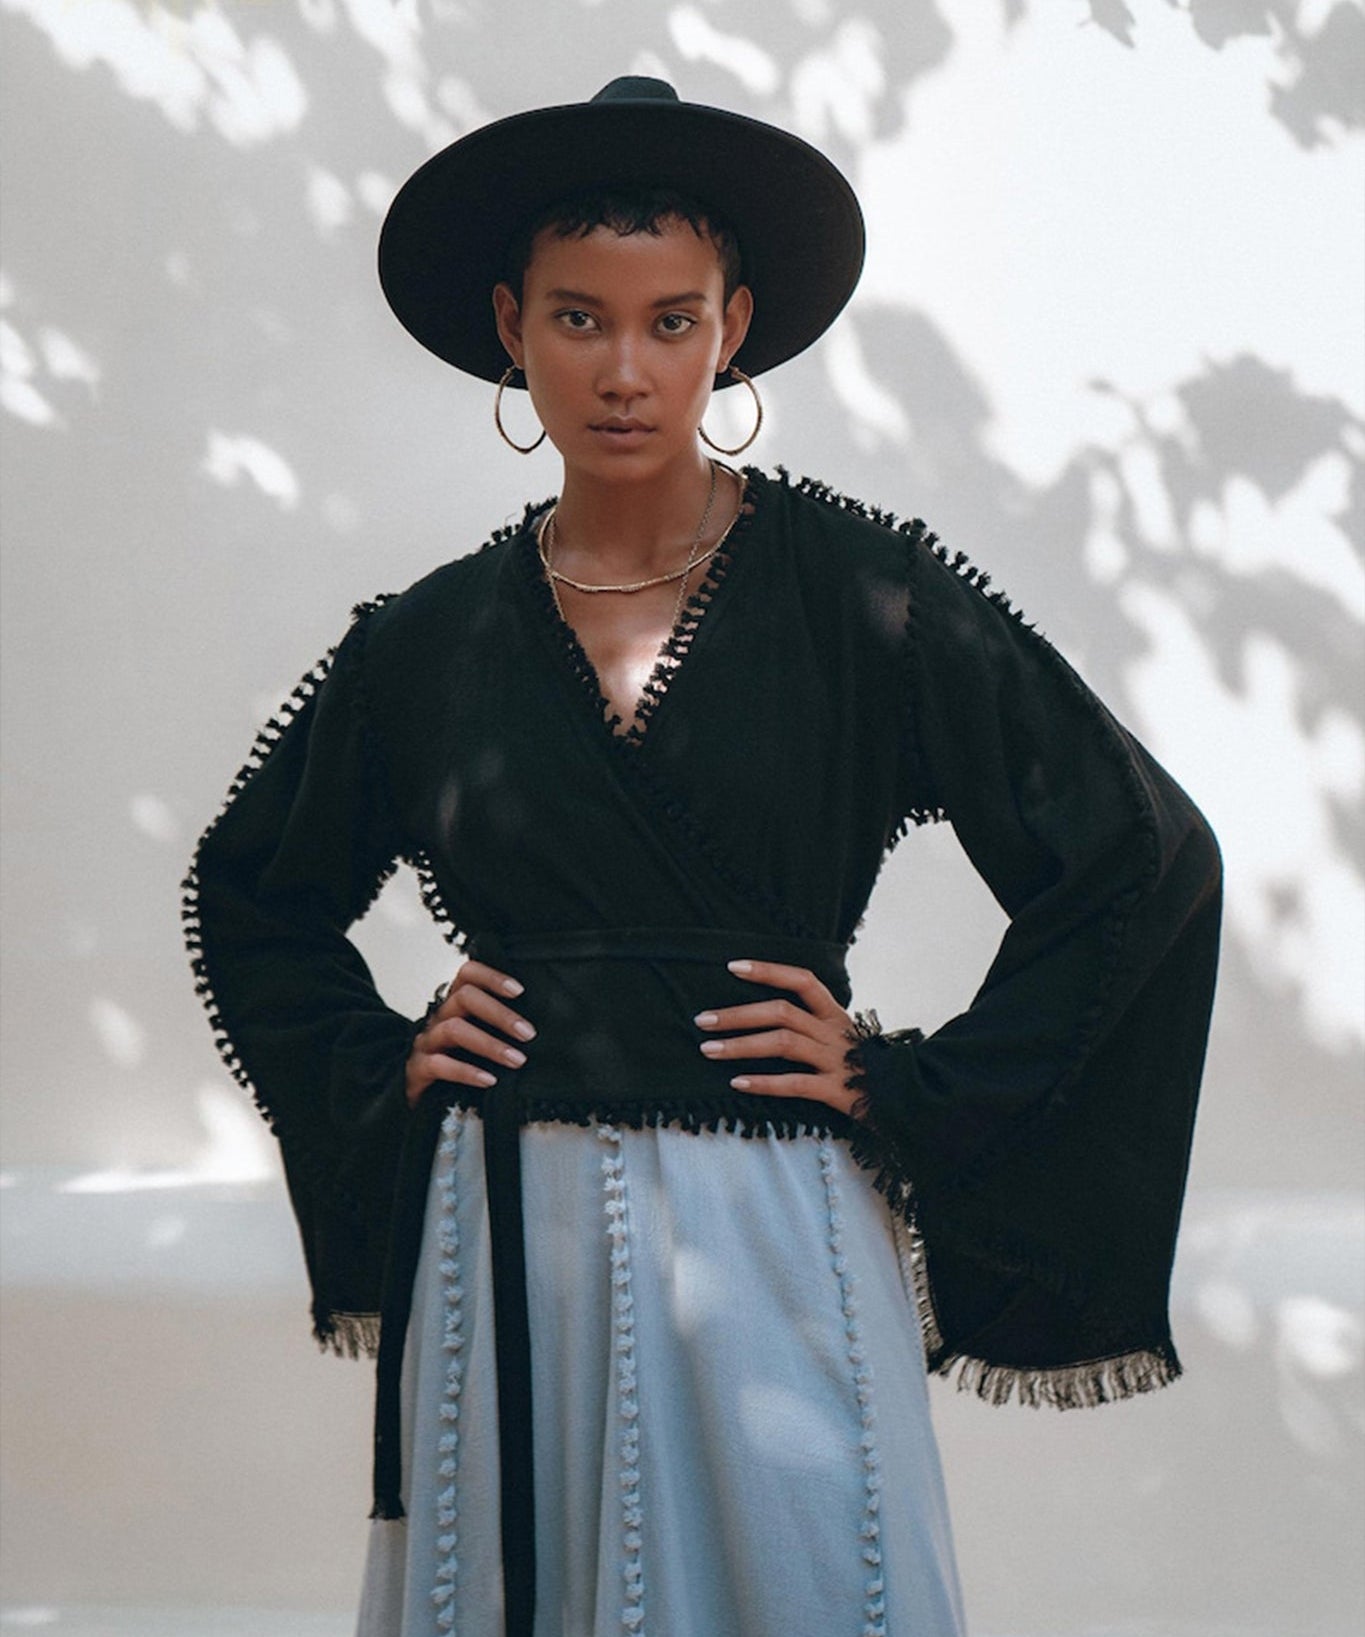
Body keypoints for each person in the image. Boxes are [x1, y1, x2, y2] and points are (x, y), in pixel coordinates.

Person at [182, 77, 1223, 1637]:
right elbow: (251, 893)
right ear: (509, 329)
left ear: (731, 330)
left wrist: (905, 1081)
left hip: (774, 1219)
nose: (623, 370)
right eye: (577, 319)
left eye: (669, 322)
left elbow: (1139, 854)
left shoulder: (865, 600)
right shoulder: (427, 643)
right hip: (503, 1218)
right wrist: (382, 1061)